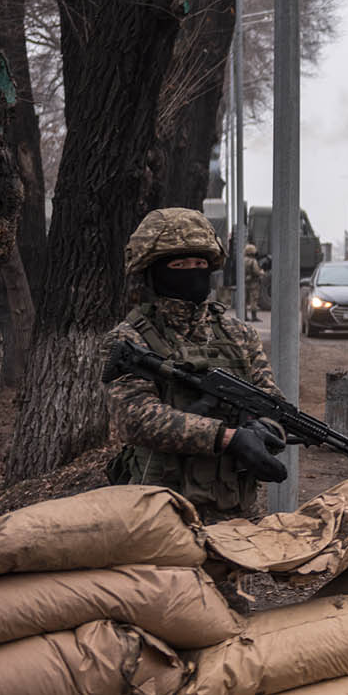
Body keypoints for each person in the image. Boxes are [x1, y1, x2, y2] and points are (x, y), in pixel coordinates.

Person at [103, 207, 288, 521]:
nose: (193, 271)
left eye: (200, 263)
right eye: (180, 264)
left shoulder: (238, 334)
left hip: (232, 508)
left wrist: (265, 430)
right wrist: (227, 437)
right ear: (152, 271)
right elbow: (135, 417)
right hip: (159, 508)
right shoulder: (131, 338)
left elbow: (272, 401)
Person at [243, 243, 263, 321]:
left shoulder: (243, 260)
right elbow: (256, 272)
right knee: (254, 299)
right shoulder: (253, 261)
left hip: (245, 282)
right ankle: (254, 317)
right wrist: (261, 272)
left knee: (244, 300)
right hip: (253, 283)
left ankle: (244, 316)